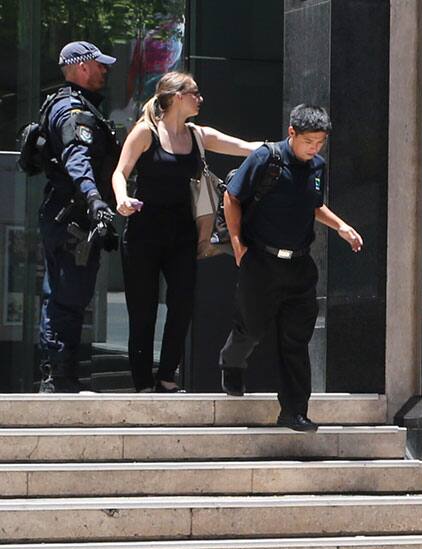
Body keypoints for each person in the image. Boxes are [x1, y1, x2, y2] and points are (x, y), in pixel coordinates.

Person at [111, 71, 261, 393]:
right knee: (143, 309)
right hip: (143, 232)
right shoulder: (145, 133)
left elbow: (241, 146)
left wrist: (277, 148)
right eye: (195, 93)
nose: (200, 99)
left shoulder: (196, 135)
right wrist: (122, 198)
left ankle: (166, 377)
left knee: (182, 305)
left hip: (182, 233)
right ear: (178, 96)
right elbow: (120, 172)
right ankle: (142, 383)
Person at [218, 104, 363, 431]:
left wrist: (340, 226)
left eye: (321, 142)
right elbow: (232, 197)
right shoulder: (265, 159)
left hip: (298, 266)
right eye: (309, 141)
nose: (314, 148)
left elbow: (314, 205)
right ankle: (232, 360)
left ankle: (294, 410)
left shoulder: (317, 167)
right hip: (260, 261)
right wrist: (239, 244)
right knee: (252, 328)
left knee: (295, 340)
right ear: (292, 133)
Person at [36, 41, 121, 393]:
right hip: (72, 217)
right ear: (82, 67)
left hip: (66, 215)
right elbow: (77, 160)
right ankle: (58, 378)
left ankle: (61, 375)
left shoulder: (69, 105)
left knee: (66, 294)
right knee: (67, 297)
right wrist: (95, 200)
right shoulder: (73, 111)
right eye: (99, 65)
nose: (105, 70)